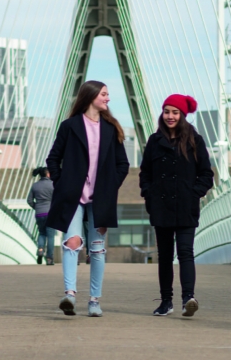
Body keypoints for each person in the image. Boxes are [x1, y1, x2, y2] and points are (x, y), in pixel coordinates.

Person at [45, 80, 129, 317]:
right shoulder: (69, 126)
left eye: (108, 94)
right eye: (104, 94)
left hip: (101, 198)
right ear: (91, 96)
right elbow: (53, 158)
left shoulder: (111, 129)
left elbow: (123, 164)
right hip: (73, 197)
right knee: (72, 242)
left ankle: (94, 300)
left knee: (97, 248)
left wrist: (112, 186)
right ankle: (70, 295)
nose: (108, 98)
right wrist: (62, 183)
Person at [139, 94, 214, 318]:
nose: (170, 116)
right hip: (160, 206)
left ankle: (188, 299)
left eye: (175, 112)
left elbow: (206, 174)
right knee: (164, 255)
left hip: (185, 206)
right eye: (167, 111)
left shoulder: (194, 140)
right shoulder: (154, 141)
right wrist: (148, 194)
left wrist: (194, 194)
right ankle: (166, 302)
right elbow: (145, 174)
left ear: (182, 115)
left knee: (185, 253)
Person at [27, 167, 55, 265]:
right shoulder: (53, 185)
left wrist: (37, 207)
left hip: (39, 213)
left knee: (42, 233)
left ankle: (40, 250)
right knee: (51, 237)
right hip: (50, 213)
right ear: (48, 174)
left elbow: (29, 201)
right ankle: (49, 259)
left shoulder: (35, 186)